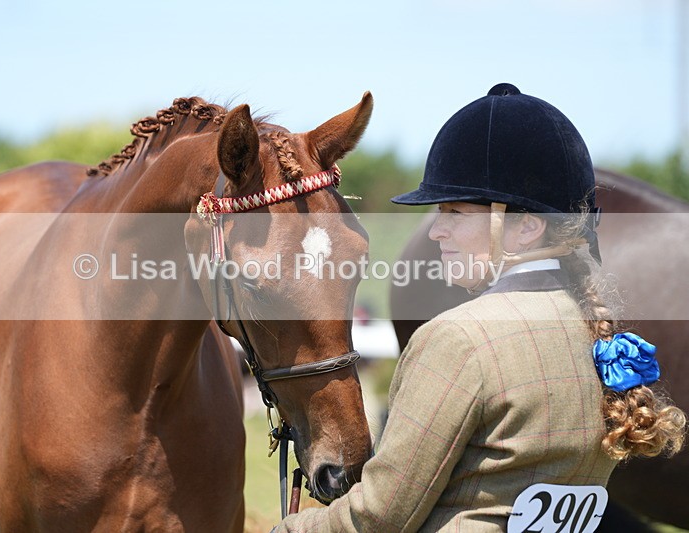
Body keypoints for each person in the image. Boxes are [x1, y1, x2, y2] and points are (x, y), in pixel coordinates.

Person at [274, 83, 686, 532]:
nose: (436, 233)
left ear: (526, 226)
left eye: (455, 213)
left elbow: (376, 518)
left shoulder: (457, 340)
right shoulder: (596, 336)